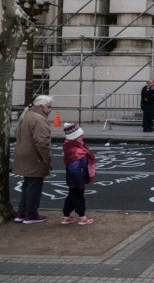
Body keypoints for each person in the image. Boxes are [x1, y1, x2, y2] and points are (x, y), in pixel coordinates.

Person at [12, 95, 54, 224]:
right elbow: (42, 142)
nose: (51, 109)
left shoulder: (28, 115)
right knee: (34, 187)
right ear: (41, 107)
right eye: (49, 107)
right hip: (34, 158)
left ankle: (21, 213)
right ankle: (30, 215)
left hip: (24, 155)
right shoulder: (39, 120)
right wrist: (47, 159)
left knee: (27, 185)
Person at [61, 123, 96, 226]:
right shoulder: (75, 151)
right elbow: (74, 167)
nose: (82, 137)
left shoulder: (73, 147)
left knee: (72, 196)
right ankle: (82, 216)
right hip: (77, 179)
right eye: (80, 136)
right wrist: (79, 179)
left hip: (74, 179)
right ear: (75, 137)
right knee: (78, 197)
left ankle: (66, 215)